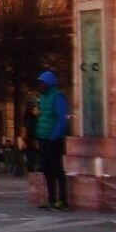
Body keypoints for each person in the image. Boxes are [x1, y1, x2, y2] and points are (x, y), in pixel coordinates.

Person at [32, 69, 69, 211]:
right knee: (47, 170)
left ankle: (63, 200)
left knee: (57, 169)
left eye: (42, 84)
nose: (40, 86)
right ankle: (51, 199)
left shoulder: (57, 97)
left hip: (53, 139)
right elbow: (41, 117)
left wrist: (55, 135)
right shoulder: (42, 98)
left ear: (48, 84)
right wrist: (38, 134)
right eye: (39, 84)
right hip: (43, 138)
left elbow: (62, 119)